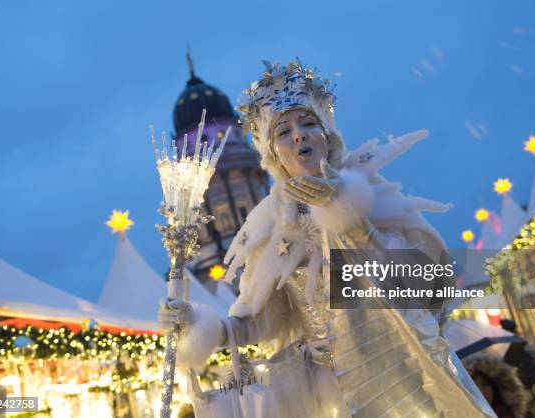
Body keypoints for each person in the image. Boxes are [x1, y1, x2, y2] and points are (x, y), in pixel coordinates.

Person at [159, 59, 495, 417]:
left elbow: (429, 287)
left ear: (328, 135)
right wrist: (198, 326)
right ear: (272, 154)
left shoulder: (371, 194)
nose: (299, 136)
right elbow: (263, 321)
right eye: (283, 131)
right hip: (329, 396)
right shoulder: (273, 224)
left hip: (402, 376)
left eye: (307, 123)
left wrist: (350, 220)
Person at [464, 354, 529, 418]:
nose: (481, 391)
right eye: (474, 386)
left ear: (494, 387)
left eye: (484, 384)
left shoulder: (504, 414)